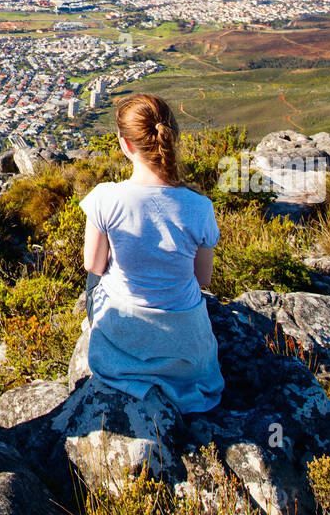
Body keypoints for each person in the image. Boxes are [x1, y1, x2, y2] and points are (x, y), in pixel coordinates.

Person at [80, 92, 224, 413]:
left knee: (95, 277)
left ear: (126, 145)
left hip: (124, 341)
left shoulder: (106, 198)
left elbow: (93, 264)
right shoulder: (201, 207)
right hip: (188, 352)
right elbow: (202, 279)